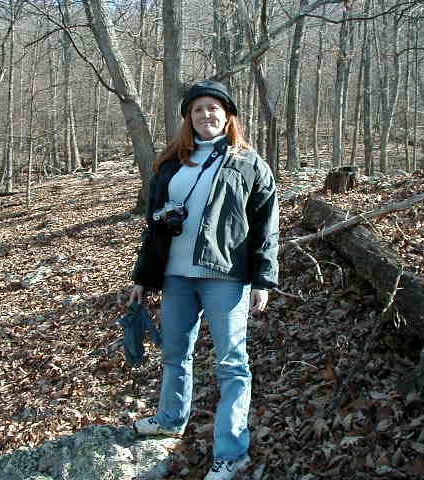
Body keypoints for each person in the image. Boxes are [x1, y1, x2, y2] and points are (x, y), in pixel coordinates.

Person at [129, 80, 279, 480]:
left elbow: (266, 229)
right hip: (176, 276)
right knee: (176, 354)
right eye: (198, 110)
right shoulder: (172, 162)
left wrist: (263, 280)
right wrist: (142, 276)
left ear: (228, 115)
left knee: (232, 363)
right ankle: (170, 419)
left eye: (214, 108)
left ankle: (231, 452)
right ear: (188, 118)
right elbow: (153, 226)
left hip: (225, 277)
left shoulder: (249, 164)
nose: (206, 115)